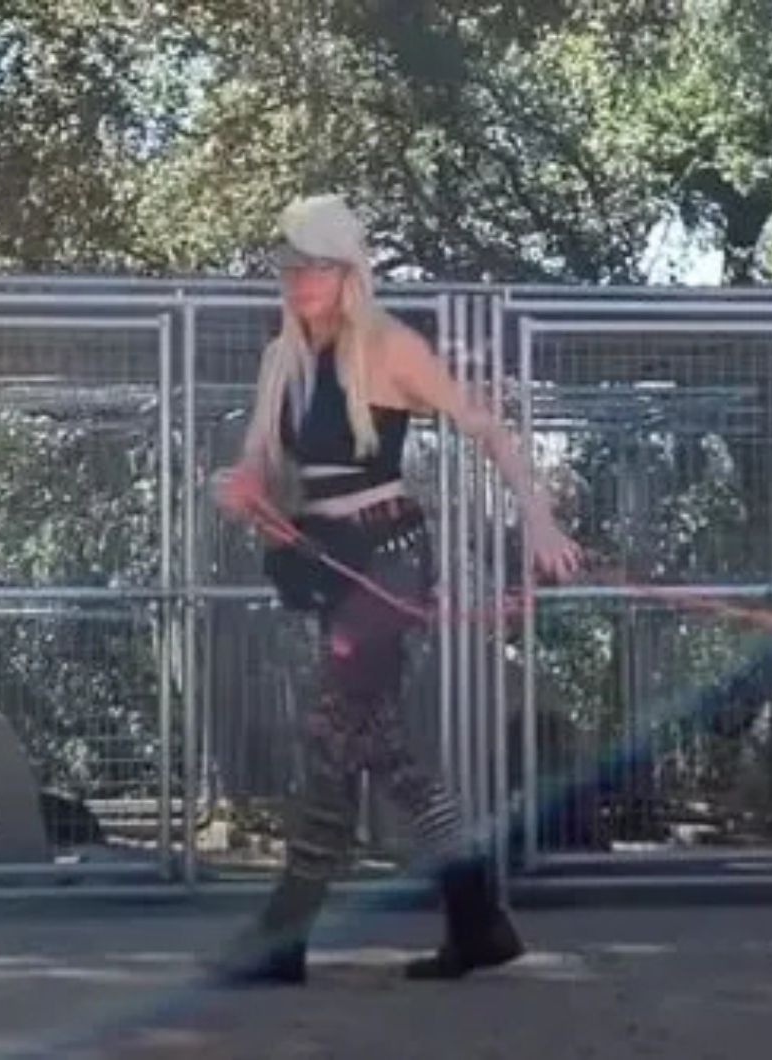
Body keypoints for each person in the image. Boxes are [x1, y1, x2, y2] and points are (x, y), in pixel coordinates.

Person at [207, 193, 584, 986]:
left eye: (316, 266)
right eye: (292, 266)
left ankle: (284, 933)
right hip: (330, 560)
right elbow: (261, 467)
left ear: (348, 272)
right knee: (378, 749)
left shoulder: (388, 348)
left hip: (390, 559)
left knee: (333, 731)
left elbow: (486, 428)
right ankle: (477, 915)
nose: (301, 281)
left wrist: (540, 521)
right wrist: (241, 488)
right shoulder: (282, 358)